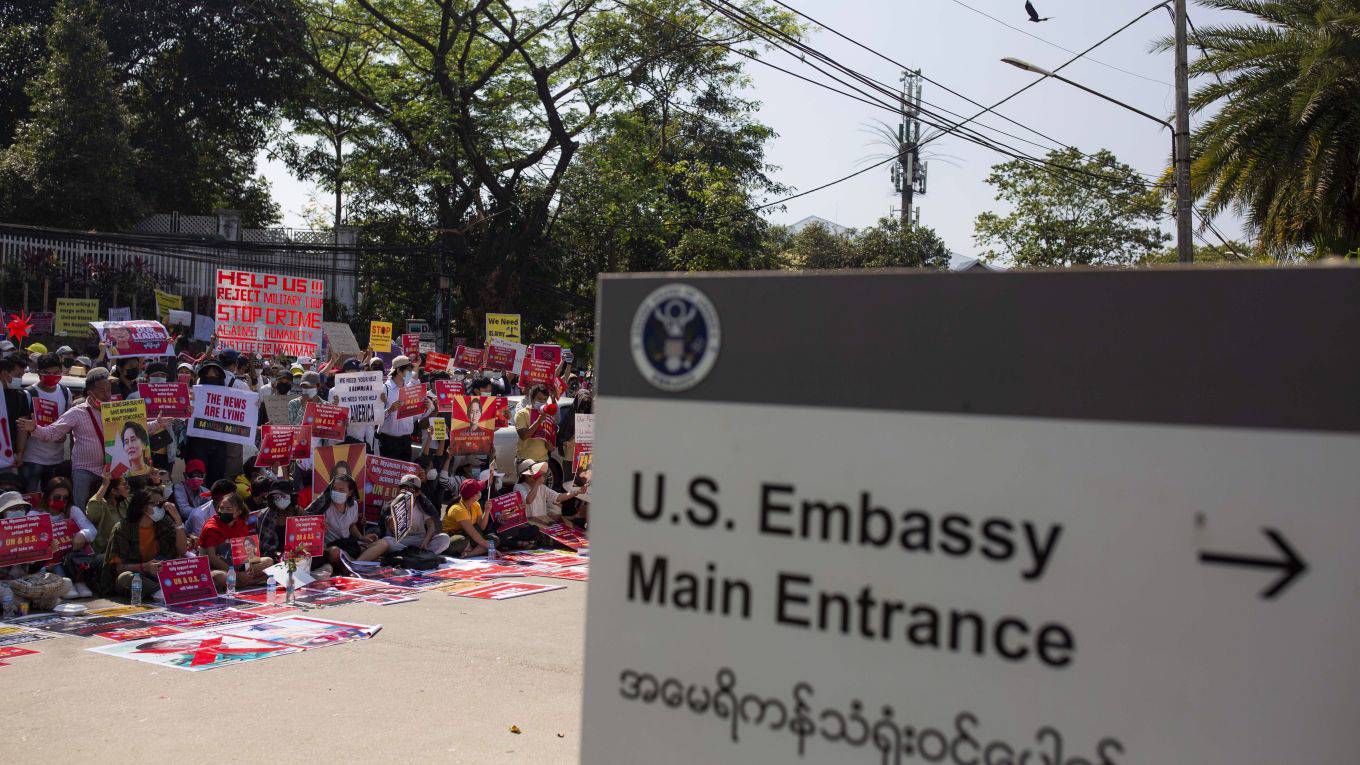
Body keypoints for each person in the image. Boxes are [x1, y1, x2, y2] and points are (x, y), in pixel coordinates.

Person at [20, 368, 168, 506]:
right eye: (102, 391)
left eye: (109, 390)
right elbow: (53, 433)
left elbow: (138, 430)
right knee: (80, 506)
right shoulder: (76, 412)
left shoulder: (117, 409)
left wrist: (158, 423)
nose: (107, 395)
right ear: (90, 392)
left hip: (112, 469)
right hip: (84, 470)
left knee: (112, 506)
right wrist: (34, 428)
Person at [100, 488, 193, 601]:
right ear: (143, 506)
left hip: (158, 573)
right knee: (125, 577)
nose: (162, 508)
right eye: (158, 505)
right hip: (136, 574)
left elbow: (182, 550)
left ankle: (161, 591)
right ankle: (162, 590)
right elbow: (119, 568)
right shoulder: (123, 528)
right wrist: (146, 567)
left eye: (163, 504)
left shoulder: (164, 522)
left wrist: (178, 520)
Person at [29, 477, 97, 598]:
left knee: (80, 553)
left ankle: (80, 582)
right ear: (48, 495)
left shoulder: (72, 510)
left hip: (70, 557)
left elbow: (91, 530)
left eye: (65, 498)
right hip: (47, 560)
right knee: (53, 561)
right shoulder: (35, 514)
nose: (61, 500)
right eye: (57, 497)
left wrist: (82, 534)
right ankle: (65, 585)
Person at [359, 474, 450, 560]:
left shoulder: (423, 506)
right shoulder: (391, 506)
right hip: (402, 542)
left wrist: (426, 541)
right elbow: (393, 533)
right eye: (404, 489)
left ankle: (420, 555)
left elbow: (431, 526)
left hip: (420, 540)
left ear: (417, 493)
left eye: (410, 490)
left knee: (444, 538)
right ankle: (417, 556)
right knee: (387, 541)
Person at [20, 354, 72, 492]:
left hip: (56, 458)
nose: (52, 376)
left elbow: (68, 421)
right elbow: (22, 427)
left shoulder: (66, 392)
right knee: (30, 496)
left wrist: (63, 434)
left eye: (56, 373)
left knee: (51, 497)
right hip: (32, 458)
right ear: (39, 373)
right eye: (47, 373)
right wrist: (20, 454)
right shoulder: (29, 393)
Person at [198, 493, 272, 587]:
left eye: (228, 509)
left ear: (238, 512)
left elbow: (248, 553)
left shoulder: (241, 524)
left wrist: (248, 570)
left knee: (268, 561)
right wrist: (237, 574)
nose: (223, 511)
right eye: (221, 508)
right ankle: (249, 582)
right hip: (218, 568)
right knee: (220, 576)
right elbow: (212, 558)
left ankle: (243, 581)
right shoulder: (211, 527)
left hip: (238, 566)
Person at [306, 474, 376, 569]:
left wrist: (361, 537)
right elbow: (306, 522)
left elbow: (352, 525)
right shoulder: (324, 506)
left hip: (348, 544)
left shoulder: (353, 505)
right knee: (335, 552)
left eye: (341, 490)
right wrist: (317, 525)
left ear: (350, 492)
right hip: (330, 547)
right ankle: (355, 565)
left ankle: (353, 564)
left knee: (382, 543)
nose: (336, 492)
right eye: (334, 489)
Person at [514, 459, 584, 528]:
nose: (539, 474)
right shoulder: (518, 487)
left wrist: (576, 492)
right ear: (527, 475)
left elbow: (558, 497)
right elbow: (528, 500)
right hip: (528, 523)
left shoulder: (542, 487)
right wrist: (537, 483)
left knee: (557, 508)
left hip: (541, 521)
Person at [85, 469, 133, 557]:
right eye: (124, 485)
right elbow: (92, 514)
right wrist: (105, 485)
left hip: (128, 549)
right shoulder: (102, 506)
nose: (128, 487)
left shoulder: (127, 501)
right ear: (114, 491)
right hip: (107, 554)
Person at [377, 355, 417, 459]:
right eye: (408, 370)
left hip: (406, 441)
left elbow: (415, 416)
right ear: (399, 371)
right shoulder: (384, 389)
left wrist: (423, 406)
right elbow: (376, 418)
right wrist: (390, 410)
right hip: (388, 441)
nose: (411, 373)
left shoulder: (410, 389)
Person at [442, 479, 494, 557]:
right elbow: (473, 533)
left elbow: (481, 527)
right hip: (453, 537)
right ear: (474, 496)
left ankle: (470, 553)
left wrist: (487, 511)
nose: (480, 492)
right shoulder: (458, 509)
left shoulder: (476, 505)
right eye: (479, 491)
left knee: (493, 539)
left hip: (469, 536)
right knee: (462, 540)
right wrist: (489, 547)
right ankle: (476, 549)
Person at [0, 358, 32, 476]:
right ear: (4, 373)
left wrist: (20, 453)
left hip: (8, 456)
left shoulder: (21, 396)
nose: (20, 379)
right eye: (18, 375)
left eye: (22, 376)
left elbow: (22, 426)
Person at [513, 384, 554, 468]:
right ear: (532, 399)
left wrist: (550, 446)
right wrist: (539, 421)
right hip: (525, 461)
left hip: (543, 460)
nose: (542, 402)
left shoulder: (548, 415)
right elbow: (524, 436)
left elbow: (550, 444)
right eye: (539, 399)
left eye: (545, 399)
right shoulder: (522, 414)